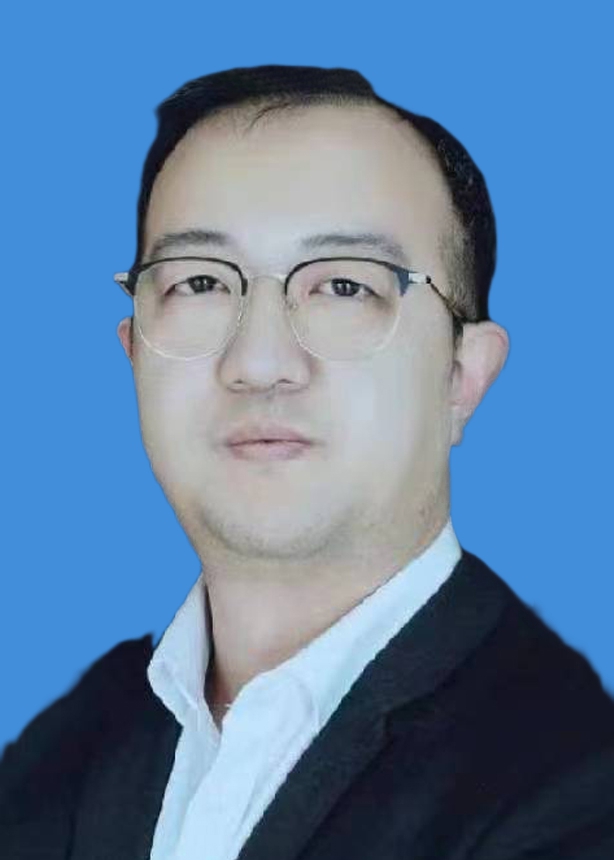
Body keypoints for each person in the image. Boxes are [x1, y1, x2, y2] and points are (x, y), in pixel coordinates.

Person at [1, 64, 613, 860]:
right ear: (133, 354)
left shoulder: (574, 785)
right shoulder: (62, 751)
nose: (258, 363)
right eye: (199, 282)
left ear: (462, 377)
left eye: (345, 288)